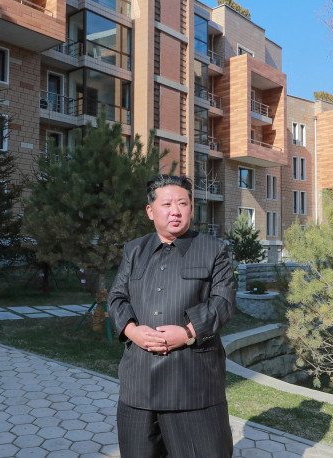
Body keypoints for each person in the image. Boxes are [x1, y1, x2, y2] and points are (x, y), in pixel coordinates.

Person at [107, 174, 235, 457]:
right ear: (150, 211)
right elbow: (116, 297)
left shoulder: (214, 250)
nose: (175, 211)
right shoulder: (134, 250)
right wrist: (132, 331)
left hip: (193, 385)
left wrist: (188, 333)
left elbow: (223, 302)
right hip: (139, 387)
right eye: (166, 204)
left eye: (182, 203)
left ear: (191, 208)